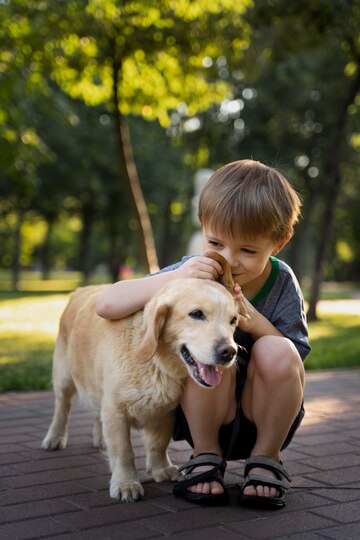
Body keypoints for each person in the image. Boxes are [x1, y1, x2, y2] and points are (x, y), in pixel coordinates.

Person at [96, 159, 310, 509]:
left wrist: (255, 324)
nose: (229, 259)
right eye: (216, 242)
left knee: (277, 348)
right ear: (203, 229)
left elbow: (294, 360)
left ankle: (266, 459)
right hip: (204, 414)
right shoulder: (193, 272)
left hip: (265, 415)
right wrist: (173, 278)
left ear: (279, 242)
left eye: (247, 250)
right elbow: (106, 305)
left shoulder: (282, 281)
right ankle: (206, 456)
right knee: (203, 348)